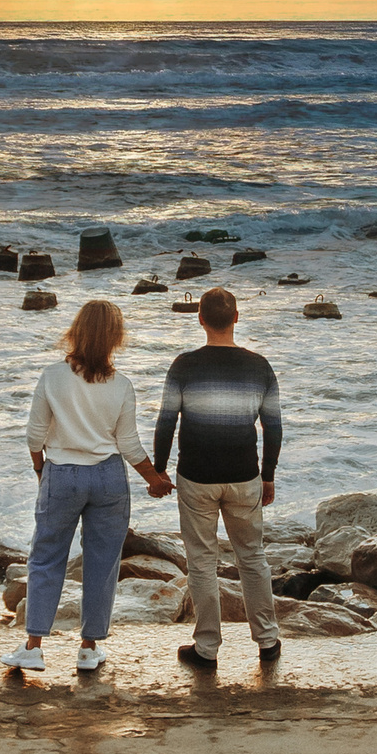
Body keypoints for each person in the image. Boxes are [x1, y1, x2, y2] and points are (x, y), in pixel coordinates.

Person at [6, 298, 172, 674]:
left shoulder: (52, 376)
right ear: (115, 338)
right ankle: (88, 647)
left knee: (46, 558)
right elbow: (129, 444)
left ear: (76, 331)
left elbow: (34, 437)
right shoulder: (122, 385)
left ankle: (33, 646)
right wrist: (155, 480)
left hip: (62, 473)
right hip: (109, 478)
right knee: (102, 562)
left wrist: (42, 473)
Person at [152, 285, 283, 669]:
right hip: (244, 475)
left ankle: (207, 647)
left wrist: (159, 468)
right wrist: (268, 475)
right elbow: (273, 427)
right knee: (252, 557)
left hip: (197, 476)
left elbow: (166, 421)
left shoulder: (184, 365)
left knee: (202, 561)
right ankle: (268, 640)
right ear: (237, 319)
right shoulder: (259, 366)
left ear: (201, 319)